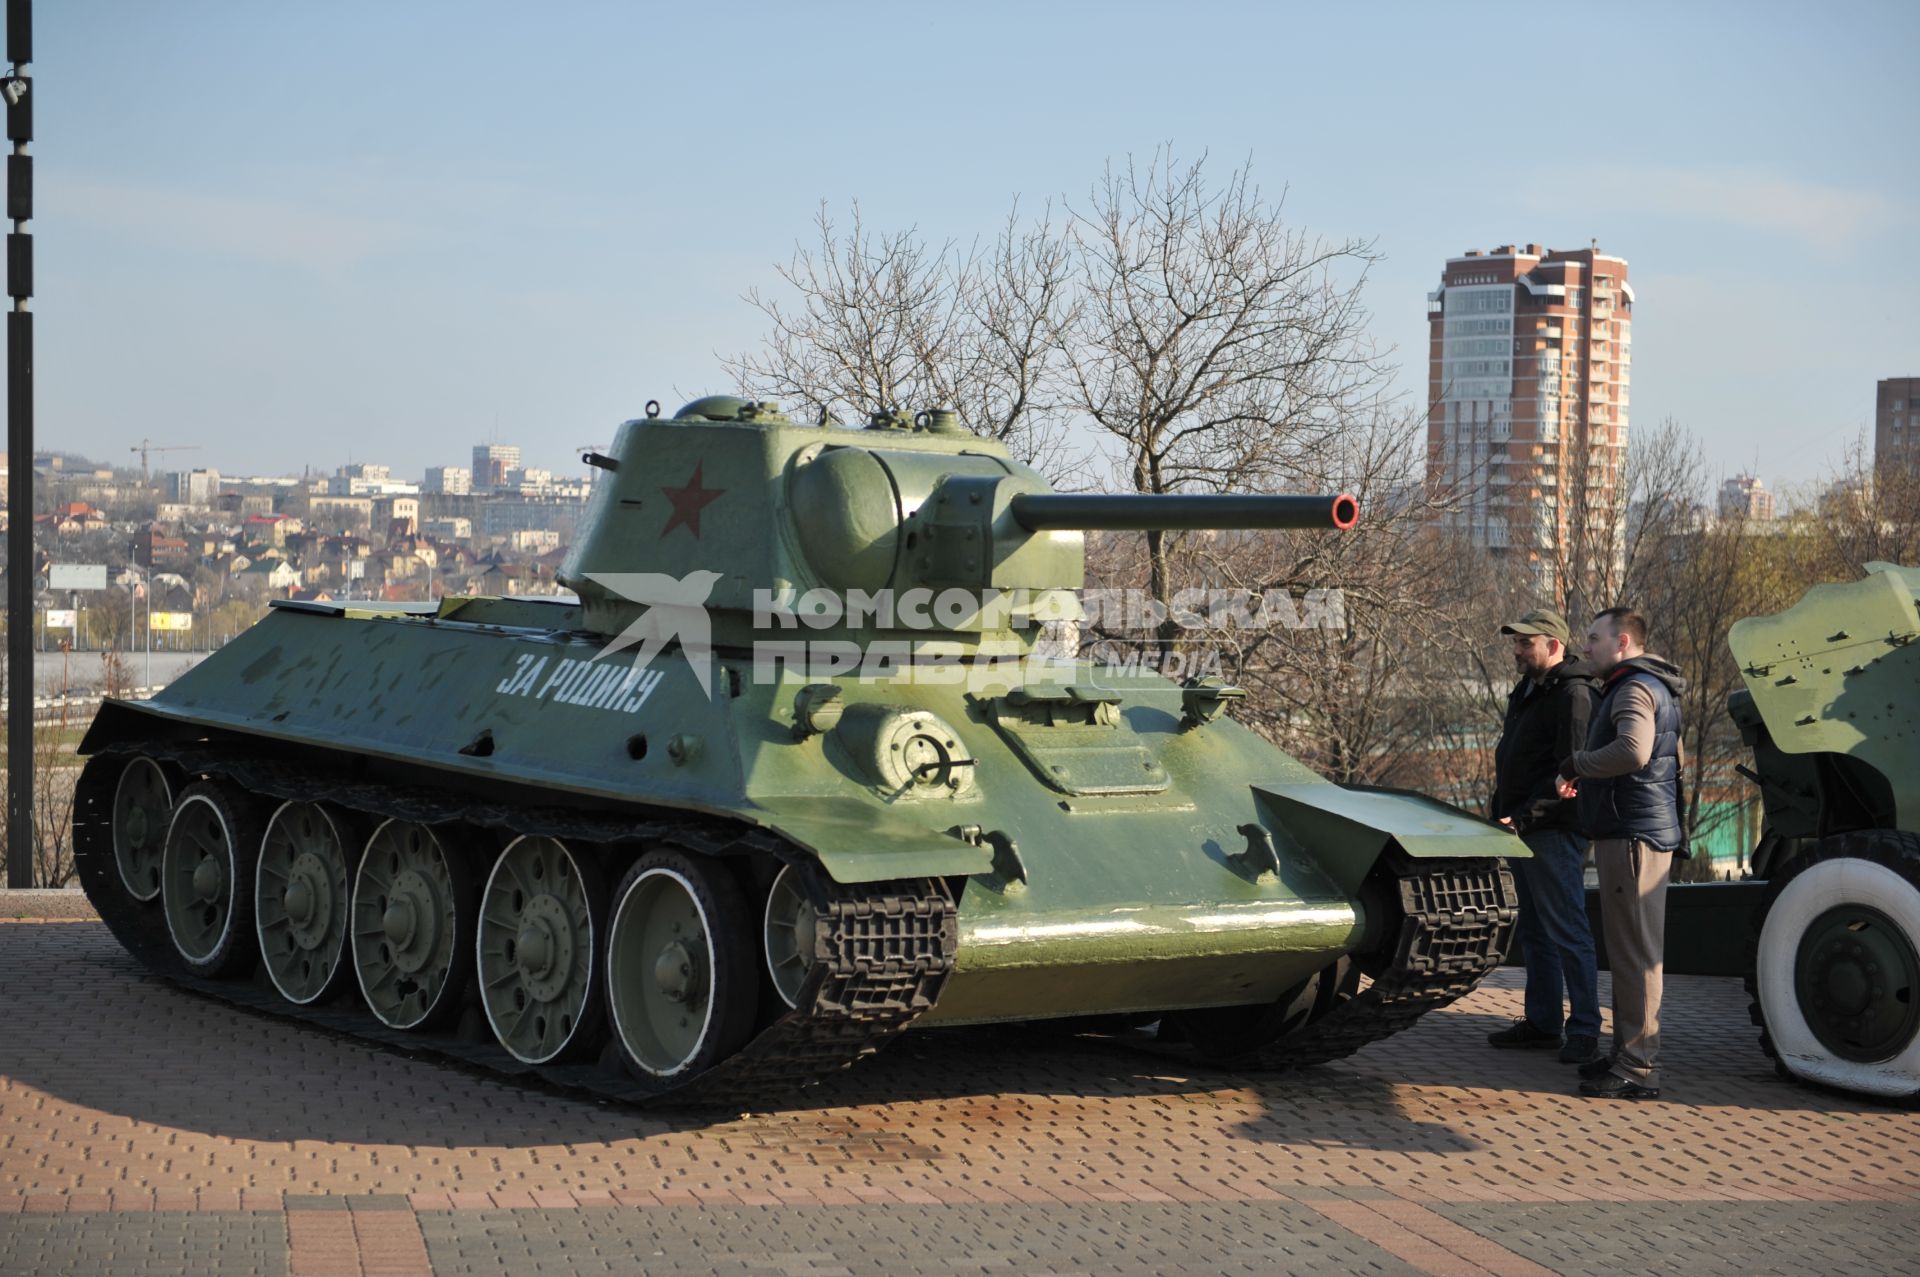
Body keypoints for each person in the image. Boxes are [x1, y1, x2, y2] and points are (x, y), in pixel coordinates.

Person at [1556, 606, 1686, 1100]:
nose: (1586, 647)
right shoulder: (1649, 685)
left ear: (1624, 641)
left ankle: (1636, 1067)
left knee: (1634, 956)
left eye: (1594, 638)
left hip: (1632, 836)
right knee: (1634, 952)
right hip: (1637, 831)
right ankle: (1626, 1054)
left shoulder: (1633, 688)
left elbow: (1633, 751)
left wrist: (1576, 765)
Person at [1484, 607, 1603, 1065]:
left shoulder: (1573, 695)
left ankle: (1586, 1031)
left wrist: (1526, 816)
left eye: (1524, 643)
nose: (1516, 651)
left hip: (1552, 831)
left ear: (1553, 645)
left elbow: (1570, 775)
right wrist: (1504, 812)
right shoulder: (1530, 689)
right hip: (1523, 828)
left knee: (1569, 931)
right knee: (1535, 931)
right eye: (1515, 643)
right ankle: (1543, 1023)